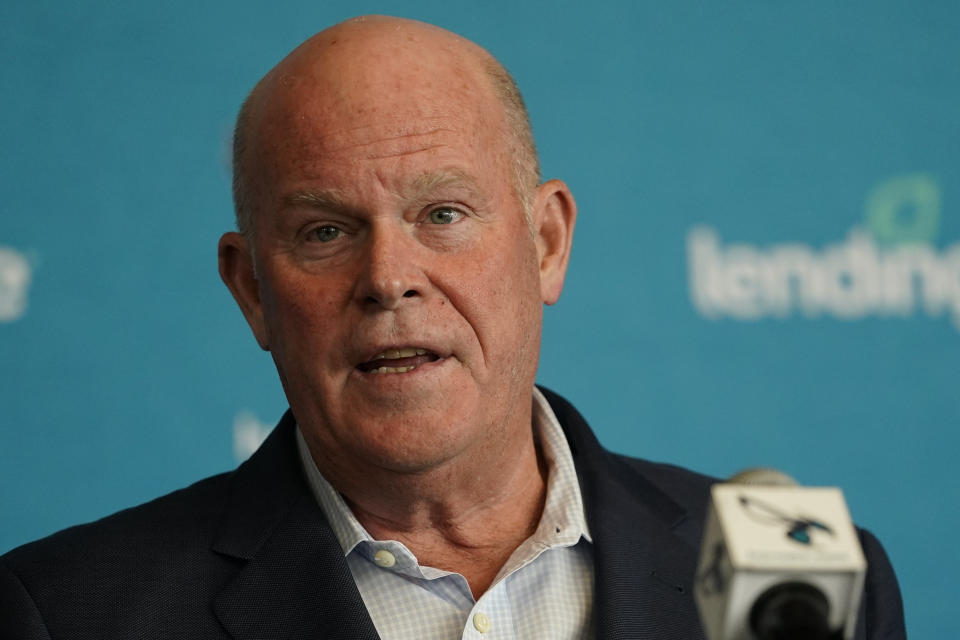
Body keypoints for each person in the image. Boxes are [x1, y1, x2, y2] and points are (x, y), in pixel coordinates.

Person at [0, 15, 905, 639]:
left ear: (546, 244)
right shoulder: (67, 612)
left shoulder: (802, 579)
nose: (389, 278)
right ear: (250, 290)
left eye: (443, 214)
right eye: (325, 231)